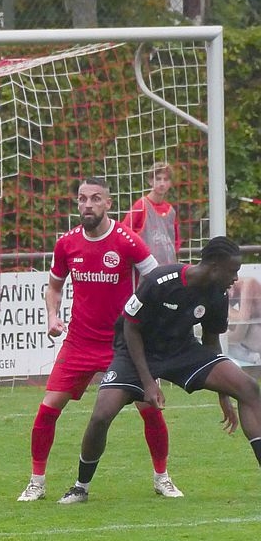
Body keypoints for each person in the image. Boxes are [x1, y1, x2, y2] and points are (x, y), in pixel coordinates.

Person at [58, 236, 261, 504]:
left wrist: (225, 393)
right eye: (232, 271)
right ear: (214, 266)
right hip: (136, 351)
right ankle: (80, 487)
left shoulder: (218, 294)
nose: (235, 278)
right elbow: (130, 328)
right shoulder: (161, 280)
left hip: (181, 351)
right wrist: (148, 382)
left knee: (248, 388)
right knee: (101, 415)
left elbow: (211, 342)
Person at [17, 177, 182, 502]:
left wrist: (152, 320)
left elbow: (157, 280)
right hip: (79, 342)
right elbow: (54, 287)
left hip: (123, 345)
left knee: (150, 407)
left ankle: (162, 477)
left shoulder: (127, 240)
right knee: (48, 408)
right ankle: (36, 482)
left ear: (108, 203)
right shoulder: (66, 243)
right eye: (82, 199)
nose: (87, 205)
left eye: (95, 199)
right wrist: (52, 315)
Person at [122, 162, 179, 265]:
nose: (162, 183)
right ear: (150, 181)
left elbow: (176, 241)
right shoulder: (141, 205)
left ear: (170, 183)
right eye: (158, 179)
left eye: (166, 179)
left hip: (167, 267)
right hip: (145, 267)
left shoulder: (171, 211)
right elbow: (124, 231)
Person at [227, 276, 261, 365]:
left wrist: (226, 307)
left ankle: (254, 359)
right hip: (255, 336)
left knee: (222, 334)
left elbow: (241, 328)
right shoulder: (235, 290)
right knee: (222, 323)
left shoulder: (249, 283)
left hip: (257, 338)